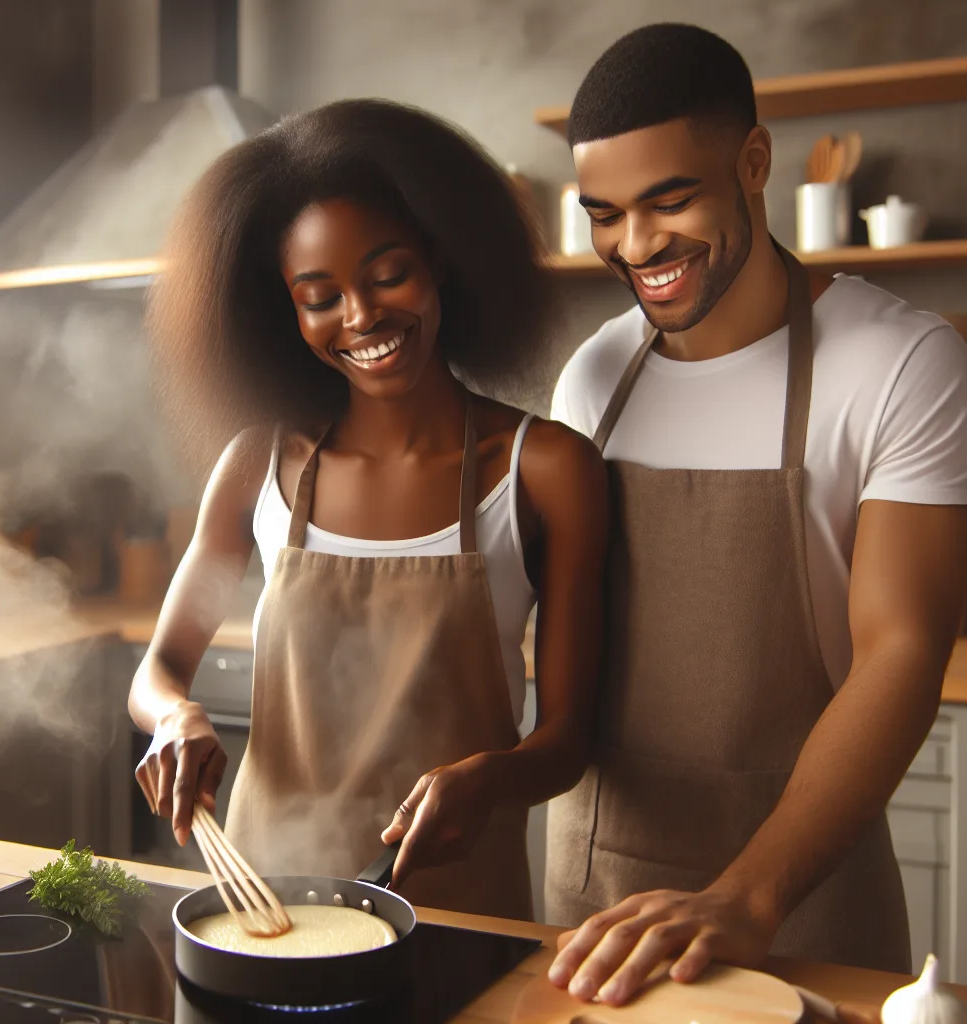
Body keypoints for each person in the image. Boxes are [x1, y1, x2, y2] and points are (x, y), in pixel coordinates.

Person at [542, 24, 967, 1004]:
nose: (636, 244)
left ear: (753, 161)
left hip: (801, 901)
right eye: (603, 214)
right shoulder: (593, 379)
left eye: (670, 200)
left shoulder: (897, 363)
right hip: (595, 907)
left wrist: (748, 895)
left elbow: (902, 650)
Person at [130, 99, 609, 920]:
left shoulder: (546, 468)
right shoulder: (259, 465)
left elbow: (568, 741)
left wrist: (491, 776)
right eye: (320, 296)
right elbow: (158, 669)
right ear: (285, 310)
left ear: (441, 263)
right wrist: (176, 719)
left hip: (458, 908)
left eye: (388, 275)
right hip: (265, 899)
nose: (362, 317)